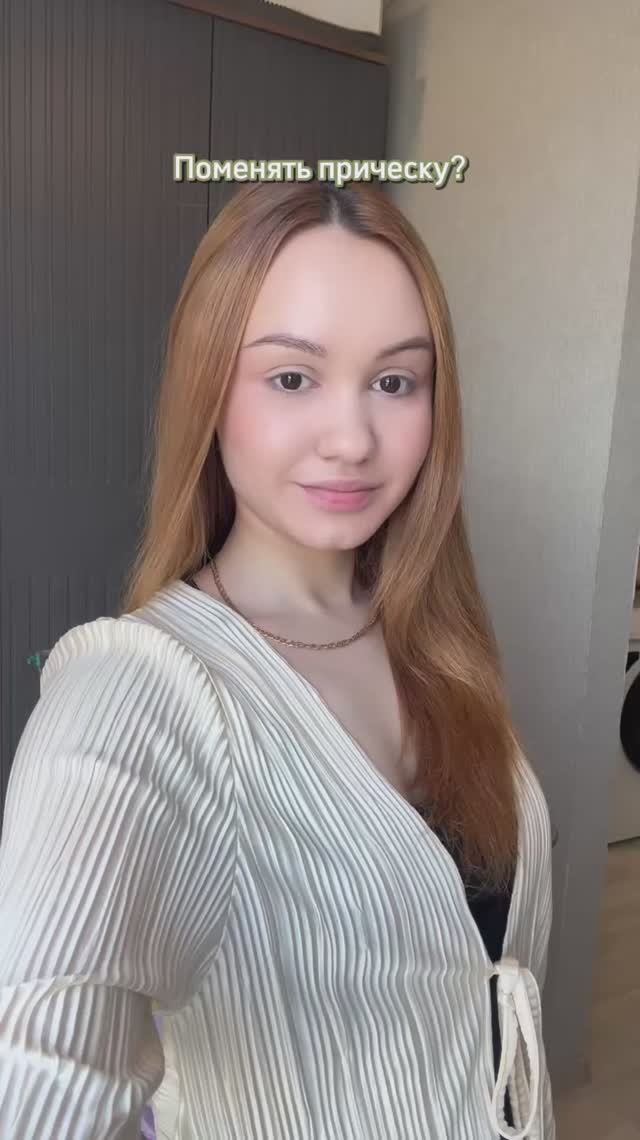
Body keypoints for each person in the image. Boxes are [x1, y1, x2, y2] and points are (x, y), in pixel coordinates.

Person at [0, 179, 555, 1139]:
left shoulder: (438, 644)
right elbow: (33, 1085)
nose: (352, 440)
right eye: (292, 378)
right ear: (208, 389)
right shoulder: (138, 696)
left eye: (395, 382)